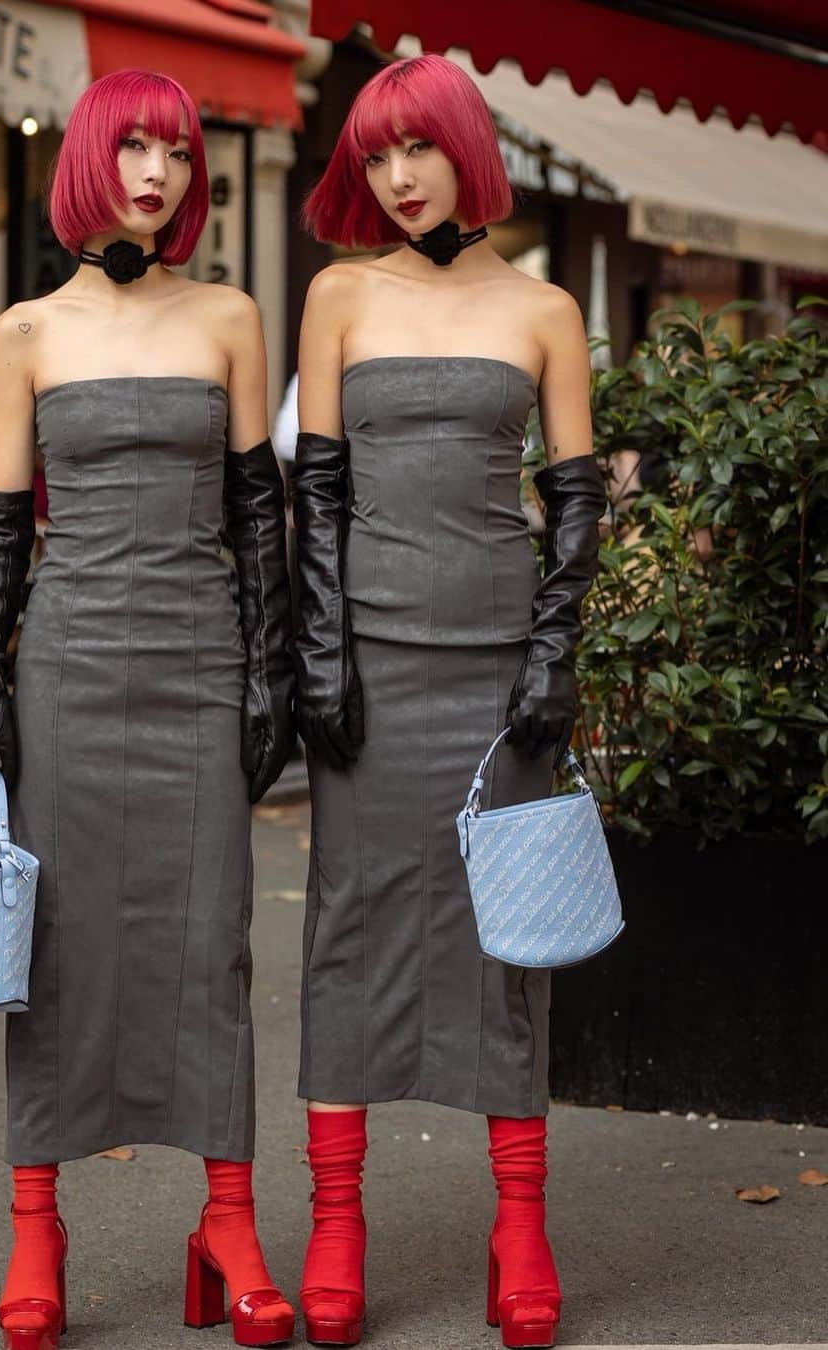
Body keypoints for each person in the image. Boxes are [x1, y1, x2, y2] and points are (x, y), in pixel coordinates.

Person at [0, 70, 295, 1350]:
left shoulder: (232, 317)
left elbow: (260, 513)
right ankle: (37, 1227)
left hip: (203, 665)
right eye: (133, 144)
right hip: (70, 671)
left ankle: (231, 1221)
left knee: (213, 942)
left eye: (176, 150)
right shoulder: (25, 332)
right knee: (58, 950)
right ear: (90, 158)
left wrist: (274, 673)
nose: (156, 170)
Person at [290, 54, 607, 1348]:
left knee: (506, 937)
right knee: (344, 932)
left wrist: (553, 659)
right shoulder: (336, 294)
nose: (399, 176)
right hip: (367, 654)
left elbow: (580, 501)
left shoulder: (541, 306)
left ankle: (519, 1222)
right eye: (376, 155)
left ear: (466, 151)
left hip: (495, 663)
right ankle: (335, 1221)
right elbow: (313, 497)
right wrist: (317, 653)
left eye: (417, 149)